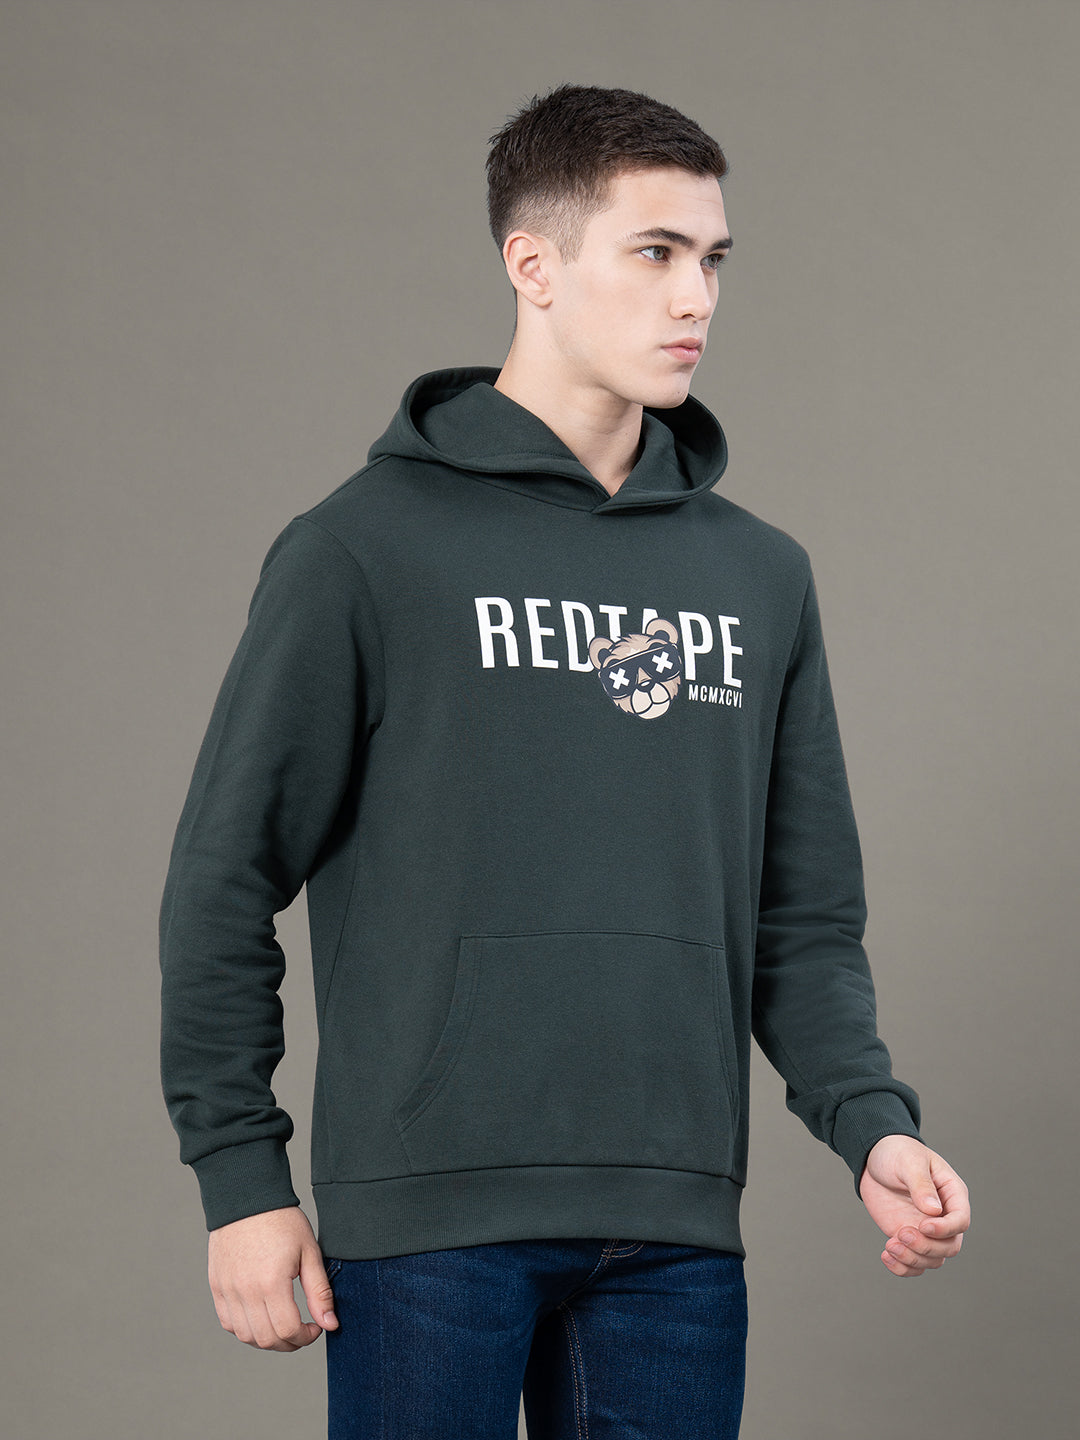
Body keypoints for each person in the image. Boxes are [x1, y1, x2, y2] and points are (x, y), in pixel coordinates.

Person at [159, 83, 970, 1439]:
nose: (695, 297)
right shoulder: (364, 550)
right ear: (532, 265)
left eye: (712, 259)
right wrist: (242, 1181)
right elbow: (221, 881)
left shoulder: (759, 576)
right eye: (654, 252)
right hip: (429, 1222)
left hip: (675, 1225)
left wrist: (870, 1123)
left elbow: (803, 918)